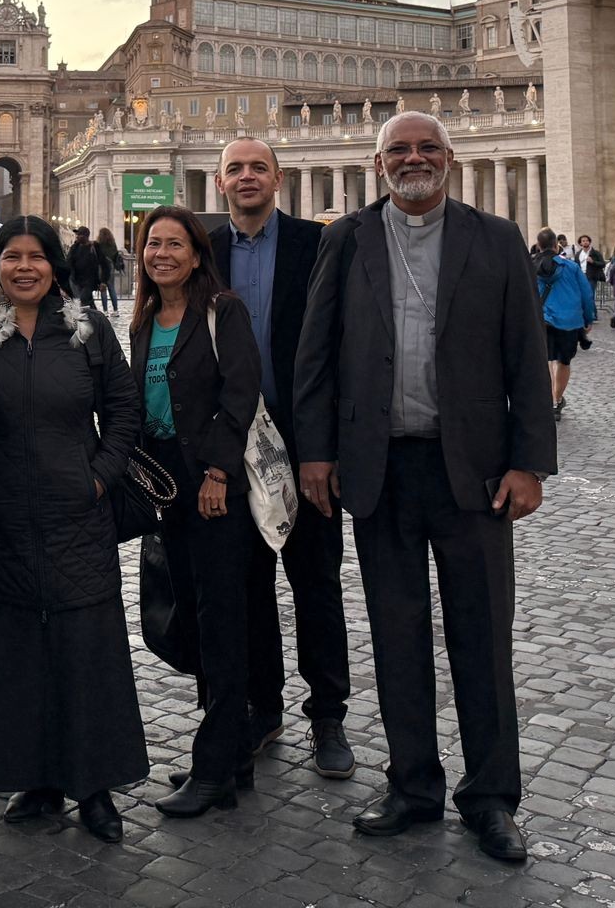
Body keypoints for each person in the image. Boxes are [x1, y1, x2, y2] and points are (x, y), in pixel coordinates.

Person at [293, 111, 553, 864]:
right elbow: (316, 353)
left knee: (483, 635)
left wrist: (529, 462)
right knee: (396, 632)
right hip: (380, 465)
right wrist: (316, 452)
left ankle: (492, 797)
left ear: (451, 160)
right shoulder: (345, 239)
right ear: (378, 166)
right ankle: (411, 785)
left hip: (472, 467)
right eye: (399, 150)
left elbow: (525, 359)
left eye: (427, 148)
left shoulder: (494, 237)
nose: (414, 159)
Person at [0, 215, 145, 843]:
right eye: (10, 256)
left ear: (54, 266)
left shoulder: (89, 332)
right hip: (2, 515)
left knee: (85, 651)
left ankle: (94, 786)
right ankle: (32, 778)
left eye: (35, 256)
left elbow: (123, 409)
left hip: (78, 513)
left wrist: (99, 476)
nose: (23, 267)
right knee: (14, 652)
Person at [208, 137, 356, 780]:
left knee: (316, 581)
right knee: (244, 585)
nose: (246, 177)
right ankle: (261, 708)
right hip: (230, 441)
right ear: (219, 184)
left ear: (279, 179)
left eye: (257, 168)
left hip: (303, 443)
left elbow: (339, 349)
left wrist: (324, 449)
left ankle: (328, 715)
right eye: (235, 169)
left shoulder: (316, 243)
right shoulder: (202, 250)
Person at [129, 204, 262, 818]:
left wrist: (218, 472)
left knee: (222, 623)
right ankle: (229, 755)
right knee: (192, 615)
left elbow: (241, 393)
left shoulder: (222, 310)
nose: (162, 254)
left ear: (196, 254)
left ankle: (214, 772)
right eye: (153, 244)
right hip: (166, 486)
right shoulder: (144, 320)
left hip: (213, 486)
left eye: (174, 245)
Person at [535, 227, 596, 418]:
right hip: (568, 320)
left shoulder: (528, 265)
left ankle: (546, 397)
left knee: (544, 358)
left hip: (540, 318)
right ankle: (556, 399)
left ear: (538, 245)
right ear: (556, 245)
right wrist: (588, 317)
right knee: (563, 360)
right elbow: (586, 294)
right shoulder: (571, 267)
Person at [65, 226, 101, 302]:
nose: (77, 236)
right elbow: (69, 261)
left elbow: (103, 263)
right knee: (86, 302)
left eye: (79, 234)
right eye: (77, 235)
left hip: (89, 280)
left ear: (85, 236)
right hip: (77, 280)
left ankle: (89, 312)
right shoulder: (74, 247)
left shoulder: (94, 247)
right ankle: (93, 312)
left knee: (83, 300)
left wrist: (103, 281)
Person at [94, 227, 123, 311]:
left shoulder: (98, 244)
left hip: (101, 267)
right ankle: (115, 310)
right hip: (111, 267)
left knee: (103, 289)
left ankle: (105, 310)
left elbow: (97, 256)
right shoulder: (112, 244)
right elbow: (115, 255)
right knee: (111, 289)